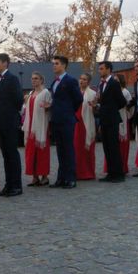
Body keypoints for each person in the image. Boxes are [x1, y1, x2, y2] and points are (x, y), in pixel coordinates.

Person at [0, 53, 24, 197]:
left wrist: (10, 112)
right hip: (2, 121)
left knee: (12, 154)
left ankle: (16, 185)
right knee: (5, 154)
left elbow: (18, 99)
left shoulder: (12, 79)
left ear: (5, 63)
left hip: (10, 120)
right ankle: (8, 184)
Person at [48, 56, 83, 188]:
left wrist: (68, 111)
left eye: (56, 64)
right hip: (56, 119)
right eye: (53, 64)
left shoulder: (70, 81)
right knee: (60, 150)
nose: (54, 66)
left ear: (64, 65)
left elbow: (78, 99)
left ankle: (71, 178)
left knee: (68, 149)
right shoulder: (54, 82)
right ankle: (61, 178)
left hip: (67, 120)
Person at [96, 61, 127, 183]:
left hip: (112, 119)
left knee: (114, 147)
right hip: (103, 119)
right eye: (99, 69)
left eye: (102, 69)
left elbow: (122, 101)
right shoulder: (101, 84)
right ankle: (110, 172)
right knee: (107, 147)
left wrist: (112, 109)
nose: (100, 71)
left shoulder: (114, 83)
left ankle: (118, 174)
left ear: (109, 70)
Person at [23, 71, 52, 186]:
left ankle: (44, 176)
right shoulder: (30, 94)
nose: (34, 80)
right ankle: (35, 177)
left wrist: (47, 108)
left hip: (41, 126)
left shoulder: (45, 93)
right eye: (32, 78)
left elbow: (49, 108)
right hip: (30, 127)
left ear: (41, 80)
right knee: (31, 152)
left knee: (42, 152)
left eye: (36, 78)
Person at [74, 73, 97, 180]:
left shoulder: (92, 93)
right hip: (76, 122)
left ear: (88, 82)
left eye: (84, 79)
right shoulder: (75, 92)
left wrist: (94, 106)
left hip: (86, 122)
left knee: (87, 149)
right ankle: (77, 171)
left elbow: (94, 110)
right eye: (81, 79)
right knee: (76, 148)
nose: (82, 81)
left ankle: (88, 172)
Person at [117, 74, 133, 175]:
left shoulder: (125, 92)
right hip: (114, 119)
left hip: (123, 119)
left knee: (122, 144)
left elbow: (130, 107)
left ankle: (123, 167)